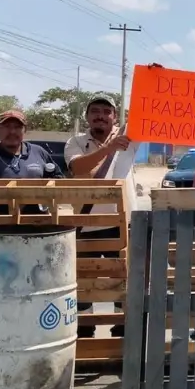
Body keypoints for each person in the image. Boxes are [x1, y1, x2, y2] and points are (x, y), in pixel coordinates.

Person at [64, 93, 138, 339]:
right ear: (87, 117)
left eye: (107, 112)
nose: (101, 116)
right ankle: (85, 330)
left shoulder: (130, 136)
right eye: (95, 111)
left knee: (123, 278)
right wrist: (109, 149)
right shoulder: (75, 141)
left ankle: (122, 329)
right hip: (87, 224)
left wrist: (153, 79)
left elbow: (152, 115)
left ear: (114, 117)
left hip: (122, 223)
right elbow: (78, 168)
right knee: (85, 280)